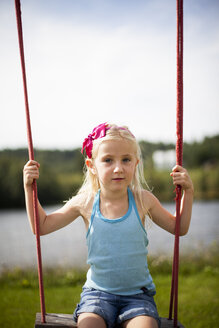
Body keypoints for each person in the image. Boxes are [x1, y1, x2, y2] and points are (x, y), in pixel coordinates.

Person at [23, 123, 194, 328]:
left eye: (126, 160)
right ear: (92, 166)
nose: (118, 168)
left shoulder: (143, 200)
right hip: (97, 295)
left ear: (136, 163)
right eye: (108, 160)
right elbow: (41, 226)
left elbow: (179, 228)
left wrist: (188, 191)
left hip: (137, 297)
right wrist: (29, 188)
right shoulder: (85, 202)